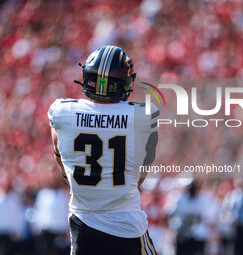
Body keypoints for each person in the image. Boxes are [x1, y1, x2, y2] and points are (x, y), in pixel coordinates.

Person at [48, 45, 159, 255]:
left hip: (83, 224)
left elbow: (61, 160)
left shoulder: (62, 111)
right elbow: (141, 176)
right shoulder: (143, 115)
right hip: (126, 224)